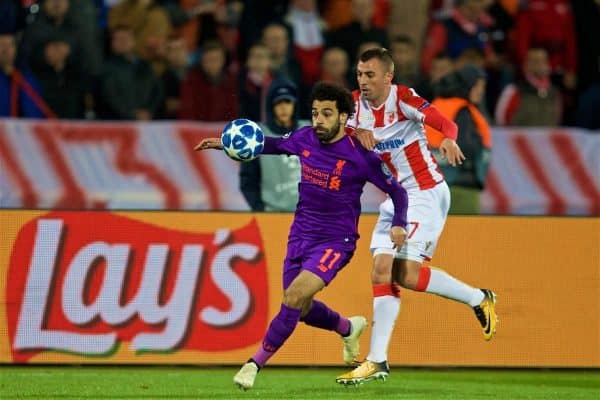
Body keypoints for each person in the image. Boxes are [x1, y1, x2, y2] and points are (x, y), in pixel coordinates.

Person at [194, 82, 410, 391]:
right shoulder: (304, 138)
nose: (318, 120)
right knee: (301, 308)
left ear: (344, 117)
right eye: (314, 113)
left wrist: (399, 222)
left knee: (293, 297)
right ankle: (348, 328)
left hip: (336, 241)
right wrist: (223, 143)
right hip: (300, 235)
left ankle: (253, 364)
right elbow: (271, 145)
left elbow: (397, 191)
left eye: (326, 114)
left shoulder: (361, 156)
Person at [336, 48, 498, 385]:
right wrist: (353, 137)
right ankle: (377, 360)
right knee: (382, 270)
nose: (363, 81)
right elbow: (335, 138)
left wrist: (450, 141)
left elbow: (446, 123)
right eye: (359, 74)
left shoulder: (404, 99)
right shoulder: (353, 108)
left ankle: (478, 298)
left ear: (387, 77)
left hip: (425, 193)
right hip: (395, 199)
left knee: (407, 275)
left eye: (370, 75)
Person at [427, 64, 492, 214]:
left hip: (431, 184)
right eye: (478, 85)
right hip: (460, 184)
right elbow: (467, 147)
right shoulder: (463, 111)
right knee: (466, 235)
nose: (481, 91)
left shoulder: (437, 105)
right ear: (467, 85)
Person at [239, 79, 307, 212]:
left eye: (287, 102)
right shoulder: (257, 137)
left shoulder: (309, 131)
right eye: (278, 103)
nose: (283, 107)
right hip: (272, 215)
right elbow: (248, 180)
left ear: (294, 105)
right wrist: (260, 209)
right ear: (271, 106)